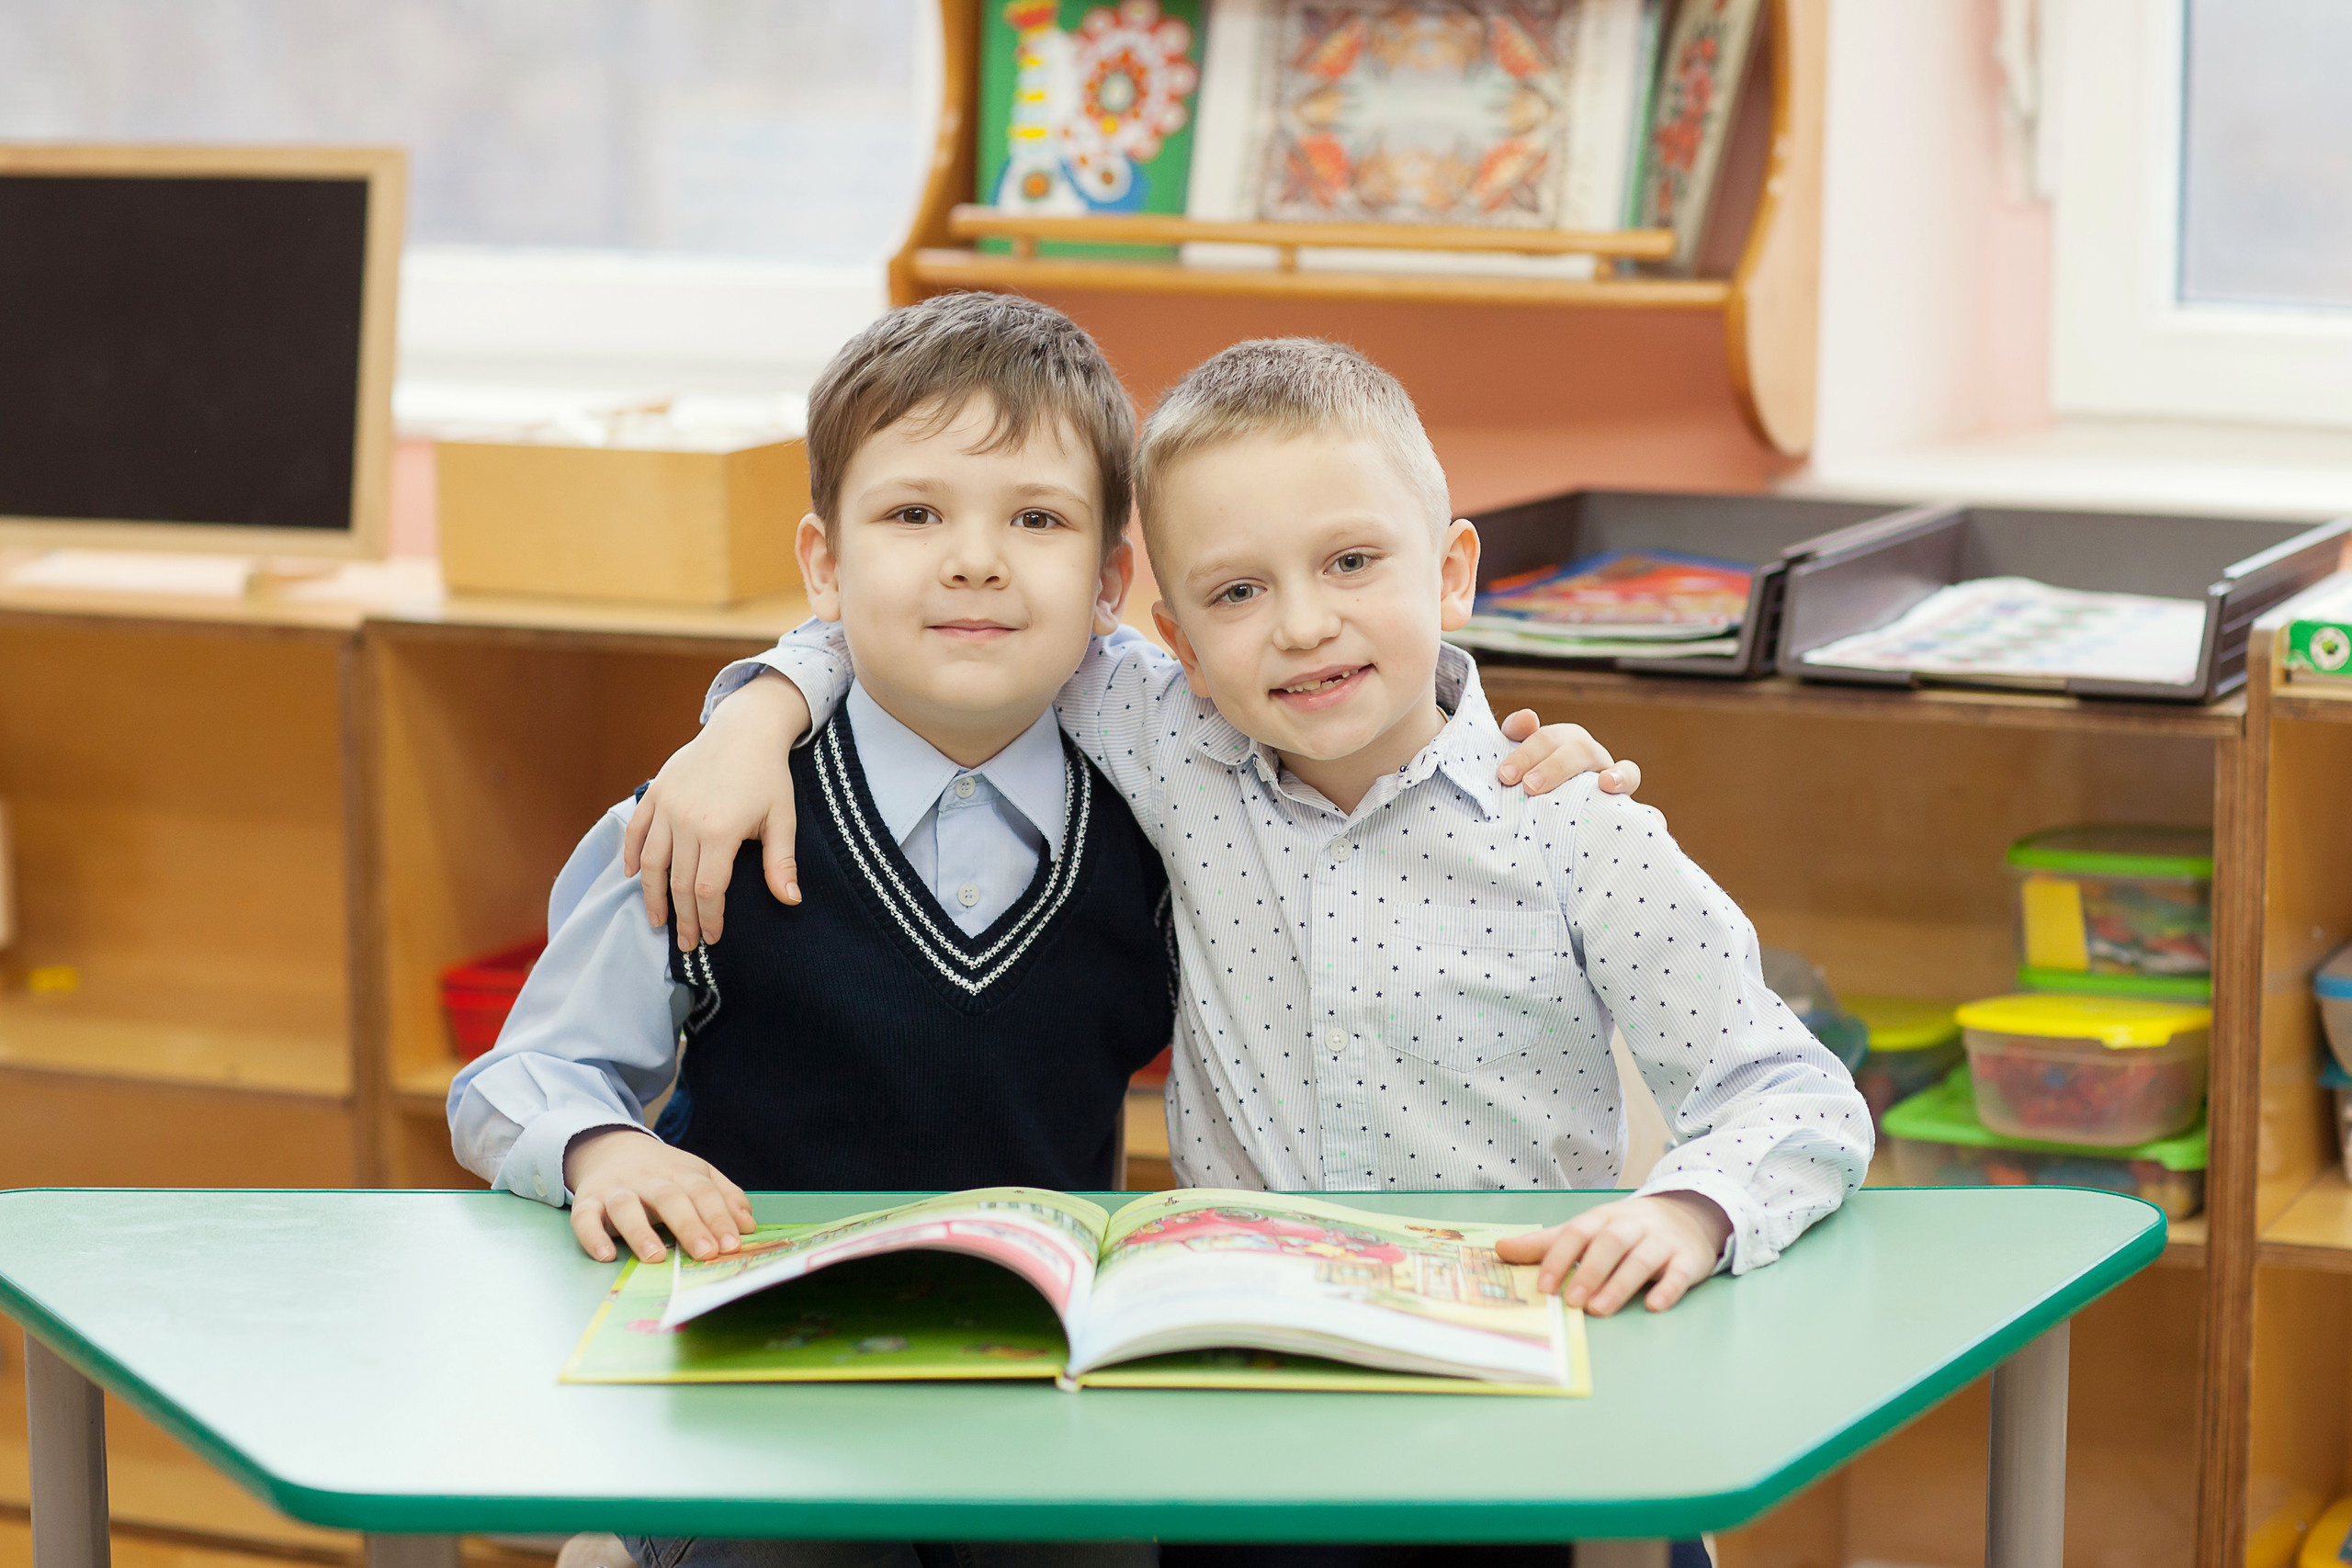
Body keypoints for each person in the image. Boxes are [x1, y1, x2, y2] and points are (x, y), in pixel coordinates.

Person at [450, 298, 1634, 1568]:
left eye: (1037, 520)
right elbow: (517, 1078)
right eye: (914, 515)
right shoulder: (705, 819)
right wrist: (595, 1151)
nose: (975, 561)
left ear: (1115, 586)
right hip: (766, 1403)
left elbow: (1372, 781)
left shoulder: (1173, 813)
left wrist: (1524, 767)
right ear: (824, 563)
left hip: (1052, 1405)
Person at [637, 335, 1872, 1334]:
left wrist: (1694, 1211)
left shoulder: (1579, 829)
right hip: (1245, 1362)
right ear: (1172, 636)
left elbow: (1795, 1096)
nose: (1300, 627)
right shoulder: (1167, 739)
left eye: (1350, 562)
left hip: (1521, 1350)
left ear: (1451, 574)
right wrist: (761, 707)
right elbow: (943, 613)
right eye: (1236, 592)